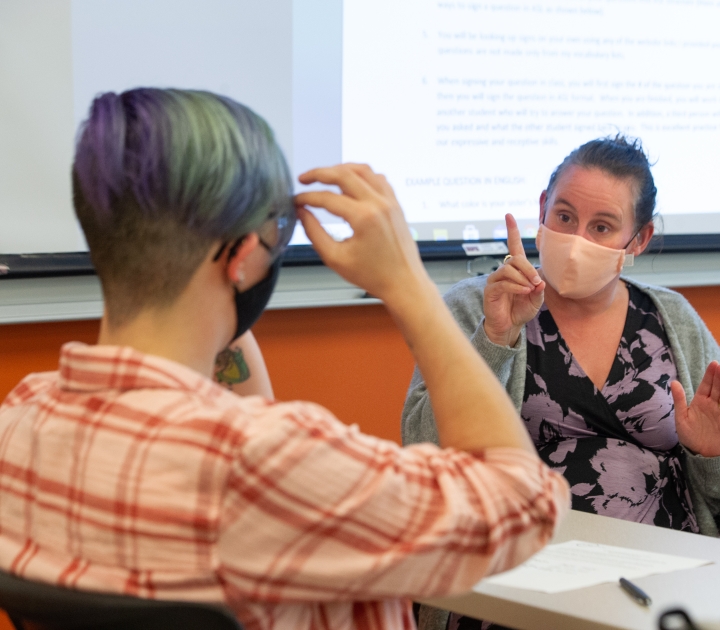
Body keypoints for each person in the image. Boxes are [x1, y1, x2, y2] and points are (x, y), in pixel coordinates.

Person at [0, 88, 569, 630]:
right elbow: (522, 504)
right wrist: (407, 284)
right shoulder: (261, 459)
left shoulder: (20, 421)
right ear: (245, 256)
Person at [402, 136, 720, 630]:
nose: (576, 240)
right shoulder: (475, 306)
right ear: (543, 209)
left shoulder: (672, 319)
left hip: (662, 592)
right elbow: (421, 451)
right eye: (565, 216)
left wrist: (710, 455)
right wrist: (495, 339)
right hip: (511, 591)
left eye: (602, 227)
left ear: (638, 240)